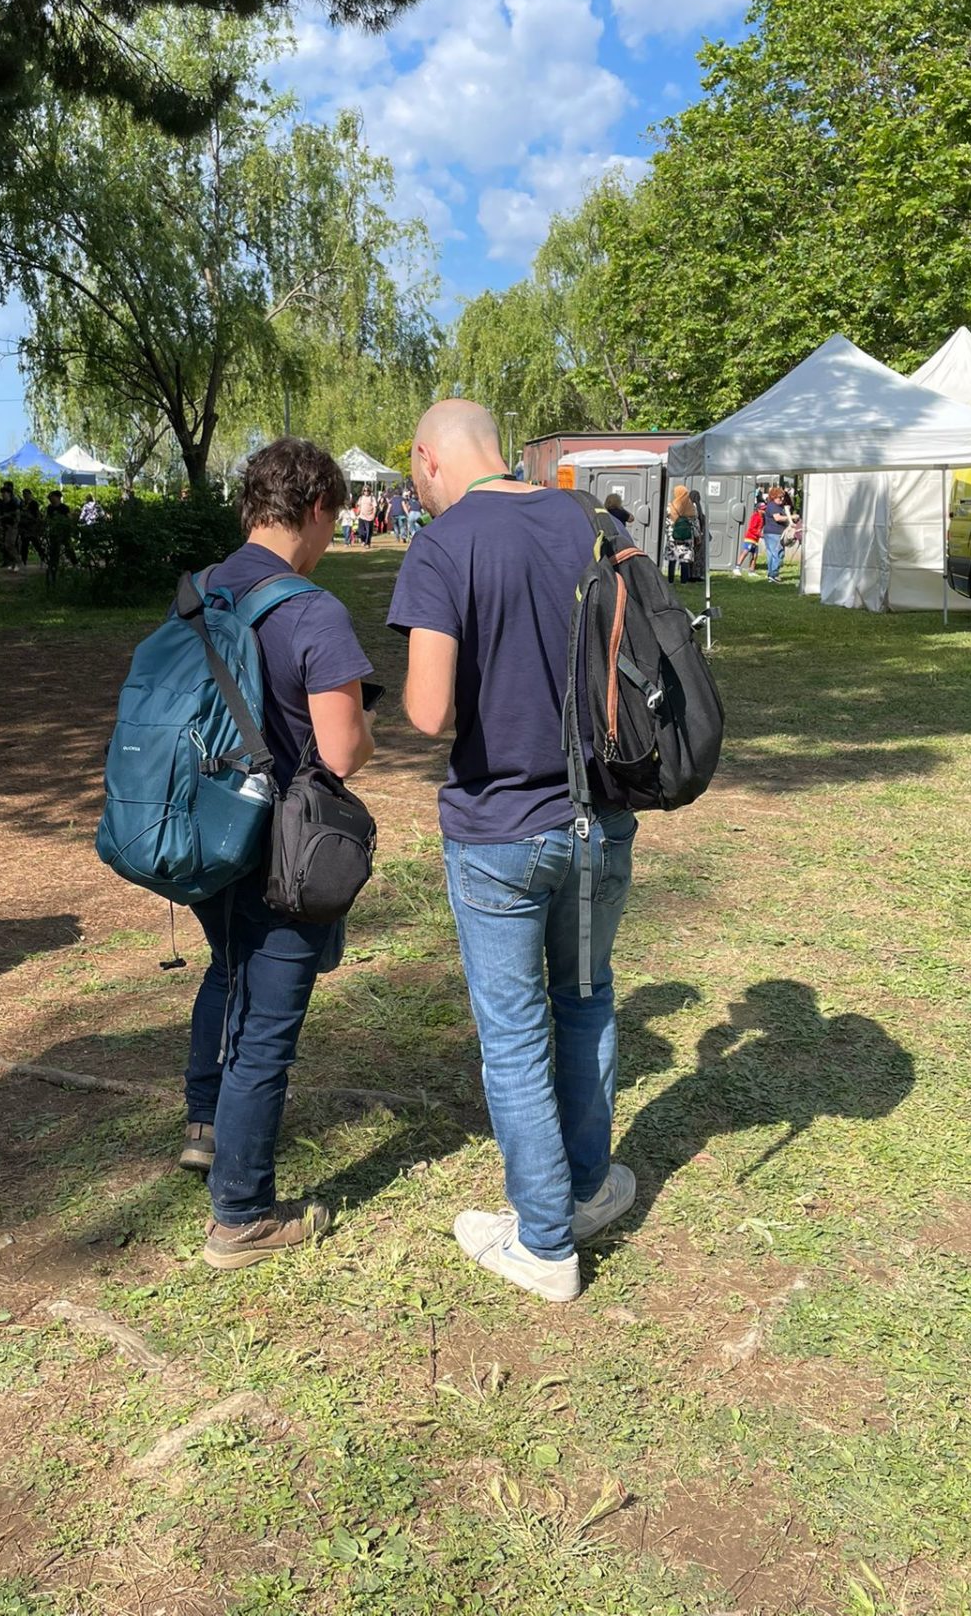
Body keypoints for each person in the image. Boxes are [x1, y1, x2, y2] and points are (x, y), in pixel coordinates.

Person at [388, 400, 639, 1304]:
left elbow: (428, 714)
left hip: (500, 831)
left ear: (429, 459)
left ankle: (543, 1242)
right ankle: (587, 1189)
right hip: (600, 817)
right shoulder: (589, 522)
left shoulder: (443, 546)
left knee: (515, 1034)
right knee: (587, 1000)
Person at [182, 438, 376, 1271]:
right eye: (334, 519)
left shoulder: (199, 591)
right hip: (281, 853)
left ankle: (204, 1125)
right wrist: (365, 722)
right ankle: (242, 1216)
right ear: (318, 508)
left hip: (204, 831)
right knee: (266, 1028)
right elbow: (342, 752)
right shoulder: (313, 612)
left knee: (226, 972)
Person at [664, 484, 698, 586]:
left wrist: (669, 532)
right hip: (687, 537)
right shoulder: (692, 507)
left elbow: (666, 523)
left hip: (673, 537)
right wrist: (697, 535)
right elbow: (695, 523)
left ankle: (670, 580)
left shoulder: (670, 507)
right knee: (685, 559)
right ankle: (684, 581)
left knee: (672, 558)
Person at [760, 484, 794, 584]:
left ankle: (771, 575)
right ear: (774, 497)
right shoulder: (773, 506)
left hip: (770, 532)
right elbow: (777, 518)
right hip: (774, 533)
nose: (782, 499)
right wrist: (791, 517)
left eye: (783, 497)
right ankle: (774, 574)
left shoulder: (775, 506)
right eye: (780, 497)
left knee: (771, 554)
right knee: (778, 553)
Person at [45, 489, 78, 584]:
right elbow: (48, 518)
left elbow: (69, 518)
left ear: (58, 498)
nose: (51, 499)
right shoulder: (49, 508)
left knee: (68, 547)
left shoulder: (64, 508)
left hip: (63, 532)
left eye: (52, 497)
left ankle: (75, 563)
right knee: (54, 550)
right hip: (53, 532)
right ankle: (53, 566)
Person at [0, 482, 21, 571]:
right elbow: (0, 515)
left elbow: (17, 514)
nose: (2, 494)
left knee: (11, 544)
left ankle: (17, 562)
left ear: (9, 493)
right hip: (5, 527)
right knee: (7, 545)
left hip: (12, 526)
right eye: (2, 493)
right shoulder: (2, 504)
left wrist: (15, 525)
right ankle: (13, 562)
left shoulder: (13, 502)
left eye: (4, 493)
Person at [733, 503, 764, 575]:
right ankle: (737, 568)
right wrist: (759, 534)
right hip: (750, 538)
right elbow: (751, 528)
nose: (764, 510)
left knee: (755, 555)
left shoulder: (762, 517)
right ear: (758, 509)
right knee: (745, 552)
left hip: (756, 539)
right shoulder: (755, 516)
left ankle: (751, 571)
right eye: (763, 509)